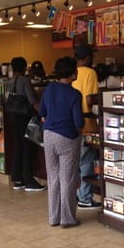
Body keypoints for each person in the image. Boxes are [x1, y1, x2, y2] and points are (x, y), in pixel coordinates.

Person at [39, 57, 84, 228]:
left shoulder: (49, 89)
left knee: (53, 178)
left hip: (48, 136)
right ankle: (67, 219)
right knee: (68, 179)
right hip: (67, 138)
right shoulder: (74, 94)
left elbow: (42, 112)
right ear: (73, 73)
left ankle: (54, 218)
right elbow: (78, 122)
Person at [6, 57, 46, 192]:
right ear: (24, 67)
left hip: (13, 116)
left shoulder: (10, 81)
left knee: (18, 146)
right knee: (27, 146)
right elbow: (33, 101)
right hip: (24, 117)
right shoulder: (24, 81)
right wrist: (44, 113)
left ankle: (18, 179)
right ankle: (29, 180)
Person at [72, 44, 101, 208]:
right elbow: (89, 100)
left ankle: (77, 194)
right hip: (88, 124)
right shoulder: (91, 73)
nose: (93, 59)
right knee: (87, 162)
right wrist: (102, 99)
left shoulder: (73, 73)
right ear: (86, 57)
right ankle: (85, 197)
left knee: (77, 162)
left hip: (74, 126)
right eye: (91, 56)